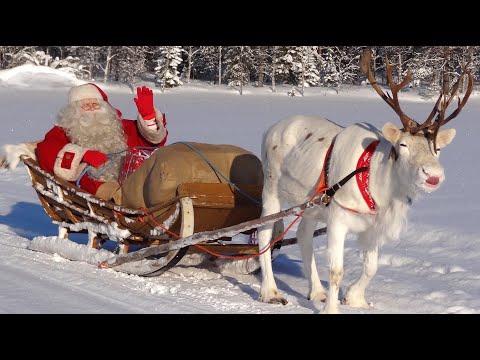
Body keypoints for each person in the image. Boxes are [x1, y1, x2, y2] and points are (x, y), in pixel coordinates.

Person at [35, 83, 168, 201]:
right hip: (95, 185)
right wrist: (83, 154)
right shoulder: (63, 130)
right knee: (104, 187)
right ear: (74, 111)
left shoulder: (119, 126)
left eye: (96, 104)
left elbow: (149, 142)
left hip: (131, 179)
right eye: (86, 105)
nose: (92, 108)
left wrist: (148, 117)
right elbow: (45, 151)